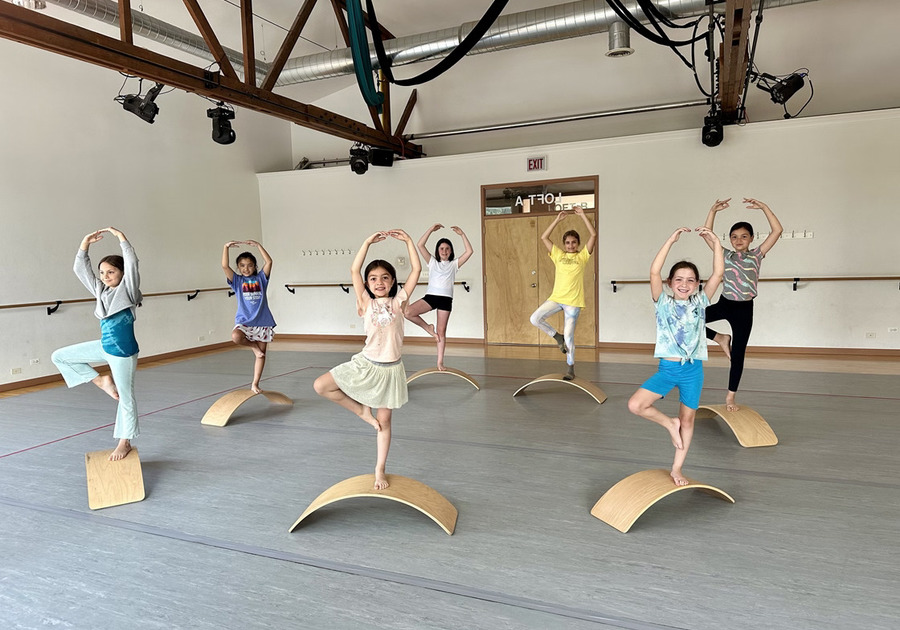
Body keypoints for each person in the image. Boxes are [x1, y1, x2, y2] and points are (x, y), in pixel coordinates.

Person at [313, 230, 421, 490]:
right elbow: (353, 270)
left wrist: (407, 241)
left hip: (390, 371)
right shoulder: (364, 302)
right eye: (373, 278)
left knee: (384, 423)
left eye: (385, 277)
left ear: (393, 280)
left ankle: (379, 469)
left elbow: (416, 270)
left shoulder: (399, 302)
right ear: (367, 283)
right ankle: (361, 410)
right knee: (321, 385)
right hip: (366, 364)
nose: (379, 282)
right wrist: (366, 243)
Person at [627, 226, 724, 486]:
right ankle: (669, 424)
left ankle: (677, 469)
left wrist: (715, 243)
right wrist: (671, 240)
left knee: (688, 420)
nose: (684, 284)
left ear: (697, 285)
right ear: (670, 283)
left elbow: (718, 273)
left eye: (690, 280)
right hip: (668, 371)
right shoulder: (662, 302)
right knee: (636, 405)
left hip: (693, 370)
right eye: (678, 279)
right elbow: (654, 271)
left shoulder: (700, 302)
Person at [51, 227, 142, 461]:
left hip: (123, 353)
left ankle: (124, 442)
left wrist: (122, 239)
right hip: (105, 346)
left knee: (126, 397)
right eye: (102, 272)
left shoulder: (128, 291)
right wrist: (85, 244)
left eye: (111, 272)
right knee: (60, 356)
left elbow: (132, 263)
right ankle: (101, 380)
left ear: (122, 274)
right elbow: (80, 269)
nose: (105, 276)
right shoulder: (100, 291)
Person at [702, 197, 783, 411]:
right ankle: (719, 338)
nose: (739, 240)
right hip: (725, 303)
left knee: (738, 355)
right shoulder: (725, 254)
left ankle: (730, 397)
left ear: (751, 239)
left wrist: (764, 207)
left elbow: (777, 231)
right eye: (734, 236)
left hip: (744, 310)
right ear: (729, 239)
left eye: (744, 236)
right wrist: (713, 211)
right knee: (688, 319)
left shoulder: (757, 254)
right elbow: (707, 236)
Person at [529, 205, 597, 380]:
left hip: (573, 303)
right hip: (556, 298)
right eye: (567, 242)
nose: (570, 245)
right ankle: (556, 336)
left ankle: (570, 367)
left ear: (578, 244)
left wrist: (583, 215)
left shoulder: (582, 256)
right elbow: (544, 236)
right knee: (535, 318)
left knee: (569, 336)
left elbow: (594, 235)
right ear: (564, 244)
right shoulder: (558, 255)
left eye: (574, 242)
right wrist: (557, 220)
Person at [404, 224, 474, 370]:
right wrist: (430, 230)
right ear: (437, 250)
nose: (444, 251)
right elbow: (420, 244)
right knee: (408, 312)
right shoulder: (432, 262)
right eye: (441, 248)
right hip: (431, 297)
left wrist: (462, 234)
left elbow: (469, 251)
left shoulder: (454, 264)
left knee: (441, 332)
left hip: (446, 300)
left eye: (447, 249)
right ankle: (428, 328)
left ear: (451, 251)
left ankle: (440, 362)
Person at [222, 240, 275, 394]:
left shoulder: (261, 279)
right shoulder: (237, 281)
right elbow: (225, 266)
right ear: (238, 268)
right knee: (236, 337)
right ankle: (253, 348)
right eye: (242, 265)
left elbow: (269, 261)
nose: (246, 268)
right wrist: (226, 247)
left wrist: (258, 246)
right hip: (244, 321)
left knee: (261, 355)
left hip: (263, 321)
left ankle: (255, 384)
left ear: (255, 266)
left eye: (250, 265)